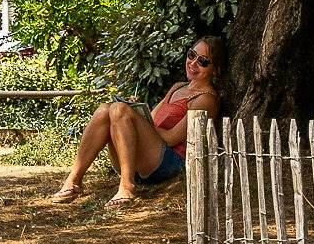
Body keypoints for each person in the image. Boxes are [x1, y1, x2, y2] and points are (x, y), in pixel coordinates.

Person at [50, 37, 224, 205]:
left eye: (203, 61)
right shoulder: (178, 86)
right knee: (105, 109)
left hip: (170, 163)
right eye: (191, 55)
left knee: (119, 109)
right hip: (145, 158)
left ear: (215, 69)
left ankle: (127, 187)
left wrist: (133, 118)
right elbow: (152, 119)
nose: (193, 63)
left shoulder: (206, 99)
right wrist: (135, 113)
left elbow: (172, 138)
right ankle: (74, 180)